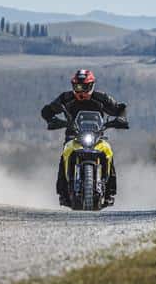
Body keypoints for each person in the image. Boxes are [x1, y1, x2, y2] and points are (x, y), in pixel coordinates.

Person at [41, 69, 127, 207]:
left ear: (91, 85)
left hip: (97, 135)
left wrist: (121, 119)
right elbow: (47, 110)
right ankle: (63, 193)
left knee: (108, 152)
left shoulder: (101, 98)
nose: (80, 90)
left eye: (83, 87)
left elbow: (119, 108)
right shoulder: (66, 98)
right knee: (65, 154)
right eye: (77, 86)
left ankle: (110, 192)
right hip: (73, 136)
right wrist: (52, 120)